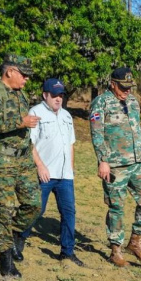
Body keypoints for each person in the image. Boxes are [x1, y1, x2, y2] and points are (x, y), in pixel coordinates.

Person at [89, 67, 141, 267]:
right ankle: (116, 250)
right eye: (123, 87)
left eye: (129, 87)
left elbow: (138, 131)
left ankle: (135, 241)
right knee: (116, 207)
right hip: (115, 165)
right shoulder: (101, 102)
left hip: (137, 163)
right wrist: (103, 160)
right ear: (112, 84)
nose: (127, 91)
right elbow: (97, 133)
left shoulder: (133, 101)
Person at [0, 55, 42, 277]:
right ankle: (5, 259)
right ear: (10, 72)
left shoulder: (20, 94)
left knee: (34, 204)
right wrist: (20, 122)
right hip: (2, 161)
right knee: (4, 209)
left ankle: (13, 234)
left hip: (23, 159)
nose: (26, 79)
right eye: (23, 75)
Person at [20, 78, 84, 266]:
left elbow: (70, 144)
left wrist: (70, 169)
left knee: (69, 212)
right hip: (45, 174)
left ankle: (67, 252)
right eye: (54, 95)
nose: (58, 99)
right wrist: (40, 166)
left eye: (61, 95)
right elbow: (30, 144)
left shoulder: (66, 115)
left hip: (65, 176)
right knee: (36, 210)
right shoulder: (35, 113)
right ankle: (18, 239)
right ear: (45, 95)